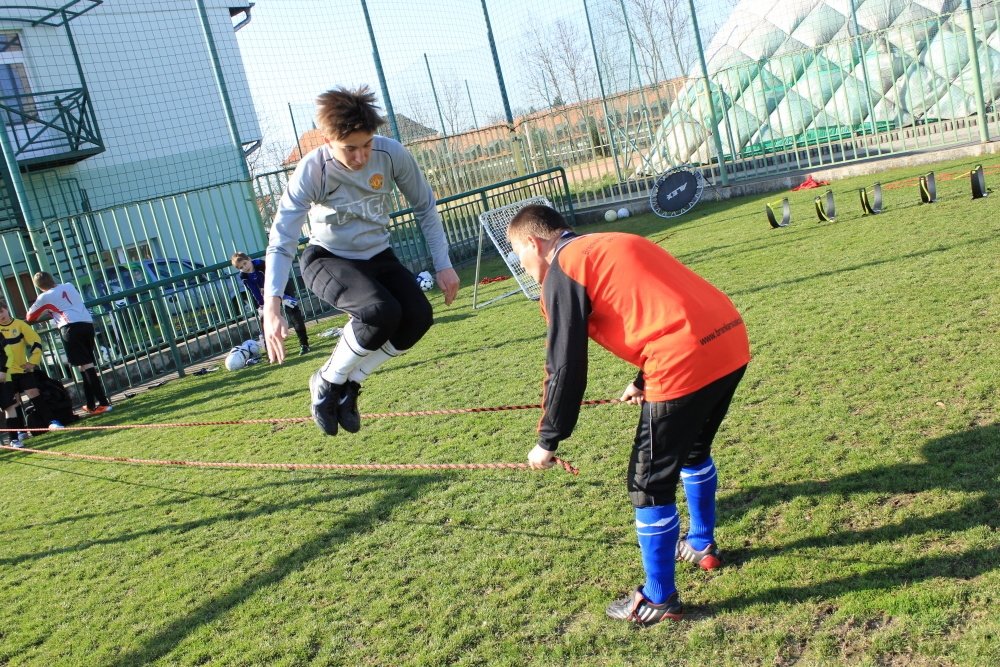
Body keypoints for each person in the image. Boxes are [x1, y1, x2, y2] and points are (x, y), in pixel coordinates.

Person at [507, 205, 751, 625]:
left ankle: (659, 599)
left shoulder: (563, 268)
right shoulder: (613, 241)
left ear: (534, 242)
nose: (523, 267)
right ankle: (701, 544)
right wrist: (642, 378)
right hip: (729, 339)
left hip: (684, 360)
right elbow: (668, 304)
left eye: (519, 256)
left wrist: (548, 439)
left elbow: (565, 366)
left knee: (649, 483)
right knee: (693, 450)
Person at [263, 85, 460, 436]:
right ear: (326, 140)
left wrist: (443, 264)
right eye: (349, 148)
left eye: (367, 144)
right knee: (378, 311)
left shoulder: (391, 154)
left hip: (378, 255)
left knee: (417, 317)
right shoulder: (313, 170)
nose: (360, 156)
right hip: (327, 258)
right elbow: (281, 240)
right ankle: (326, 381)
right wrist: (272, 306)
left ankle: (350, 385)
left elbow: (425, 206)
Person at [25, 272, 112, 415]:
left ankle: (103, 403)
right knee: (84, 367)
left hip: (71, 327)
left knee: (87, 366)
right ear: (52, 279)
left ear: (39, 287)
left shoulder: (44, 296)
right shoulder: (69, 286)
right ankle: (90, 404)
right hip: (87, 324)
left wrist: (49, 311)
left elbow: (30, 317)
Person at [1, 300, 65, 447]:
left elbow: (35, 341)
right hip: (7, 372)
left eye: (1, 311)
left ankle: (51, 422)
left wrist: (33, 361)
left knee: (33, 392)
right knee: (14, 401)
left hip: (23, 368)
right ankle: (19, 432)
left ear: (6, 309)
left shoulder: (19, 324)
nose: (0, 316)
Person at [231, 252, 311, 356]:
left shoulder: (261, 264)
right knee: (265, 319)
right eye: (241, 267)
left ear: (249, 259)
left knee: (293, 313)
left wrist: (281, 297)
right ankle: (271, 351)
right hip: (267, 293)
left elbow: (272, 280)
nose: (245, 268)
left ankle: (304, 344)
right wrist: (262, 304)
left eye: (245, 263)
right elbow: (254, 290)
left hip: (282, 286)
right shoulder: (244, 276)